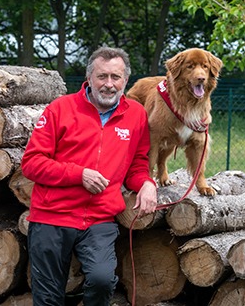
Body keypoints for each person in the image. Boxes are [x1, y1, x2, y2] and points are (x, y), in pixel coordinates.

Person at [21, 46, 158, 306]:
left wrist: (147, 184)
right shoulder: (60, 109)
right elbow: (31, 163)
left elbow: (137, 165)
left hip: (98, 219)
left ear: (126, 80)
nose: (108, 84)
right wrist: (78, 174)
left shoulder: (136, 115)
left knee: (102, 279)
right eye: (102, 76)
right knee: (48, 298)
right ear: (89, 78)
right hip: (52, 216)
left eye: (115, 77)